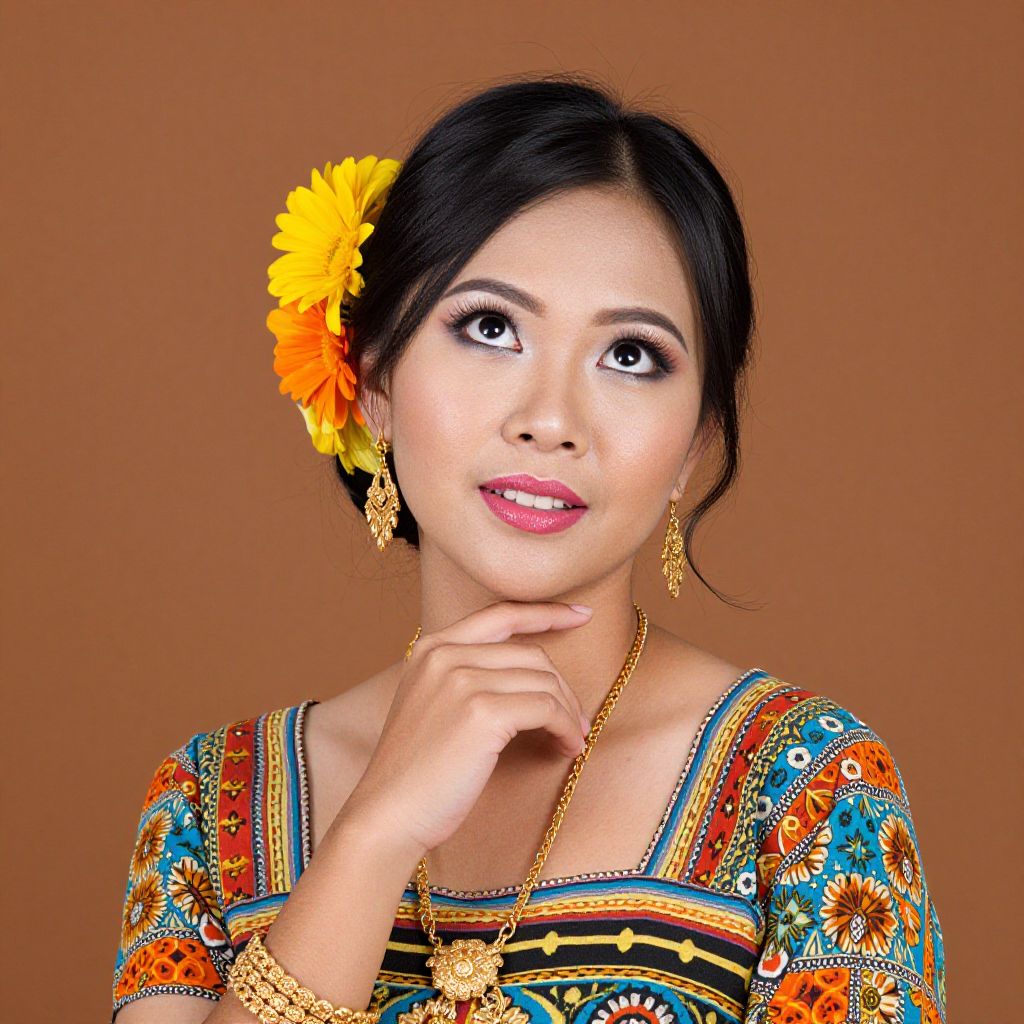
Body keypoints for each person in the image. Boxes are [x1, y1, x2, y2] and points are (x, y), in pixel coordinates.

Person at [110, 74, 947, 1024]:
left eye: (631, 355)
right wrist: (373, 836)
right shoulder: (208, 807)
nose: (551, 420)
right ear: (373, 385)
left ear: (695, 446)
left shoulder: (811, 793)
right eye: (491, 327)